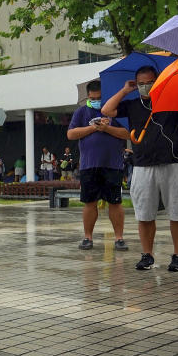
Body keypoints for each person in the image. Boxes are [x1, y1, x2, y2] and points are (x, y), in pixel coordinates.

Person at [102, 66, 178, 272]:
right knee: (144, 213)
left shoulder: (171, 100)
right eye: (141, 83)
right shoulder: (133, 104)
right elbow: (106, 111)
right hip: (142, 165)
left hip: (173, 163)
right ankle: (147, 255)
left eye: (149, 82)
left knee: (177, 212)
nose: (145, 87)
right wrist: (125, 90)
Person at [68, 80, 129, 251]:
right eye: (92, 98)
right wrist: (94, 128)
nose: (96, 100)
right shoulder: (81, 112)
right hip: (89, 165)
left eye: (99, 98)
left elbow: (128, 134)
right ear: (87, 96)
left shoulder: (115, 111)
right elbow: (71, 134)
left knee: (115, 202)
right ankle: (87, 237)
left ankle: (119, 238)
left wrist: (107, 129)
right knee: (89, 202)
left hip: (113, 164)